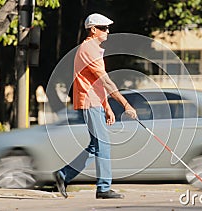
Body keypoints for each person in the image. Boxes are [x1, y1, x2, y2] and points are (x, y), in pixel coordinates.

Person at [53, 13, 137, 199]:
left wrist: (107, 106)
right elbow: (106, 81)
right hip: (90, 102)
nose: (108, 30)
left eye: (107, 27)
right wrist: (125, 104)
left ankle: (63, 175)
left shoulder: (94, 49)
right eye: (104, 27)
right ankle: (103, 188)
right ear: (93, 30)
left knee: (96, 145)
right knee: (103, 144)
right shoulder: (88, 49)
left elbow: (98, 83)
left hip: (95, 101)